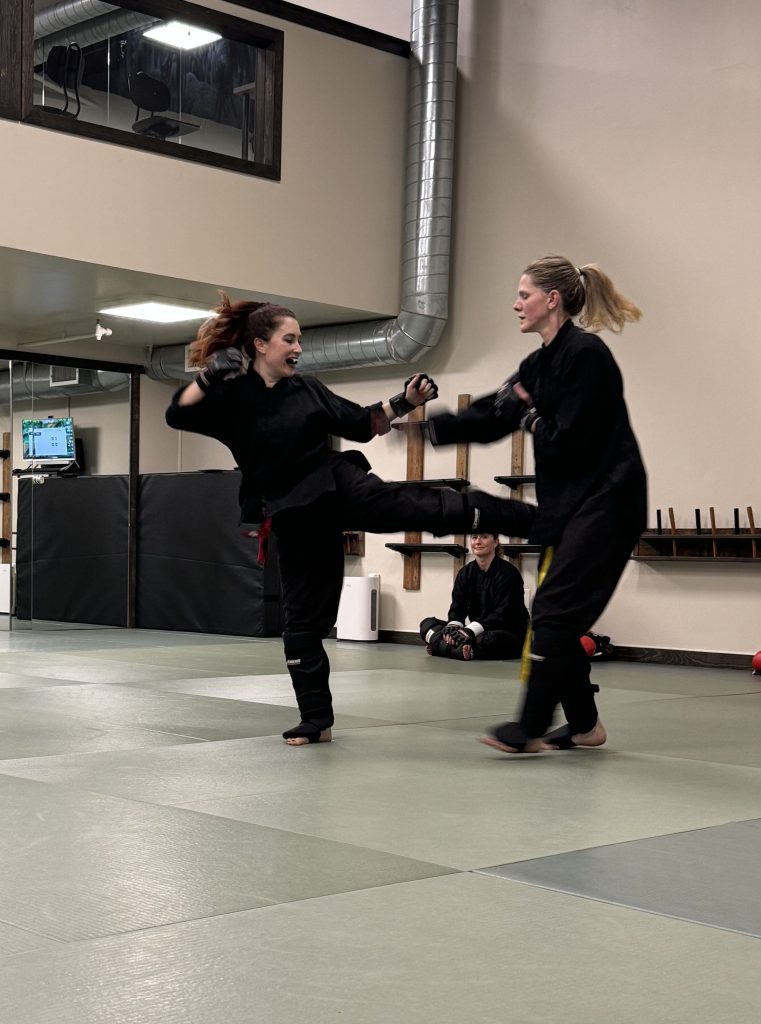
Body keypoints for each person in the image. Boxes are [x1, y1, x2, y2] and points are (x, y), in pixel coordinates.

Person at [165, 294, 538, 746]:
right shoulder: (231, 397)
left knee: (410, 507)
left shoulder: (307, 390)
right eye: (290, 339)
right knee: (300, 625)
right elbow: (177, 412)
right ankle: (315, 719)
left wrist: (405, 400)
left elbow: (364, 424)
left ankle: (517, 516)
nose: (299, 347)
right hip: (294, 516)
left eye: (300, 338)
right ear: (260, 345)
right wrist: (207, 376)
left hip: (336, 486)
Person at [422, 255, 647, 753]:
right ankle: (585, 726)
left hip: (609, 501)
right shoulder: (538, 365)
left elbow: (571, 438)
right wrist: (434, 427)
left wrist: (531, 420)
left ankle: (528, 728)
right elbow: (498, 411)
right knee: (555, 616)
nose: (515, 303)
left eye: (524, 294)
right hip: (569, 507)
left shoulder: (586, 355)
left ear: (553, 300)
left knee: (551, 611)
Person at [420, 533, 529, 660]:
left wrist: (470, 630)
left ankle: (442, 647)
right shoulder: (465, 573)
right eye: (474, 537)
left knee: (488, 640)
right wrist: (453, 628)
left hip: (507, 632)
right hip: (475, 631)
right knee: (427, 624)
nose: (478, 541)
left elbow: (503, 613)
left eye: (484, 537)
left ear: (495, 542)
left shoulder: (509, 573)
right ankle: (459, 649)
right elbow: (458, 607)